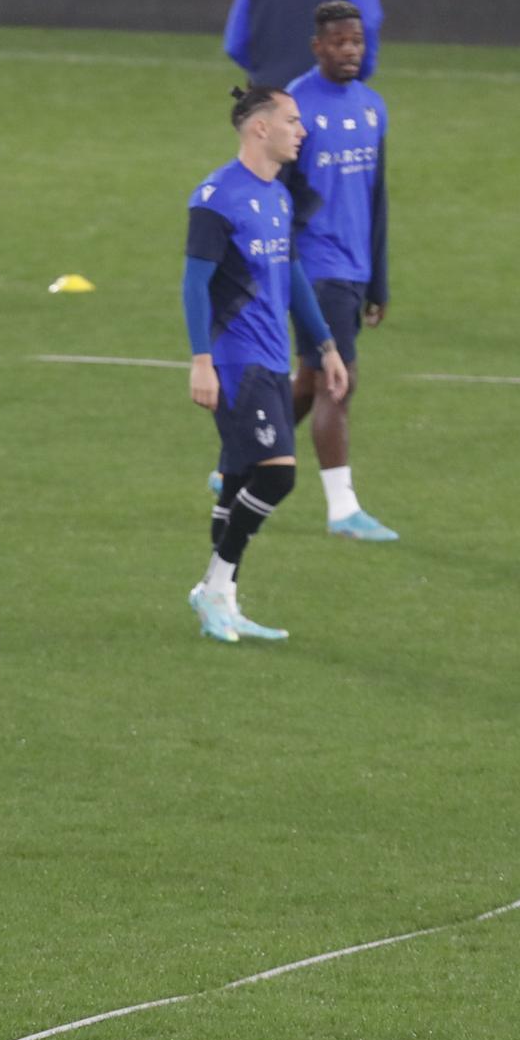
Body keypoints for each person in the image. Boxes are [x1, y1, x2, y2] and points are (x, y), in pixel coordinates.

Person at [184, 85, 349, 644]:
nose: (302, 131)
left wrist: (325, 347)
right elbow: (193, 285)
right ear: (260, 127)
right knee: (277, 474)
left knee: (236, 481)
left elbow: (295, 278)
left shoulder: (277, 195)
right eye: (293, 121)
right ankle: (213, 589)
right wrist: (201, 361)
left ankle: (220, 600)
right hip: (235, 361)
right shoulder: (215, 197)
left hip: (274, 358)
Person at [284, 2, 396, 541]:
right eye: (339, 41)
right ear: (317, 47)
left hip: (353, 267)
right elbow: (273, 191)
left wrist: (378, 282)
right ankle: (341, 508)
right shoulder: (295, 106)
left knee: (309, 380)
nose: (351, 50)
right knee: (337, 382)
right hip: (314, 266)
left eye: (357, 41)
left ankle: (236, 464)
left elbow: (377, 200)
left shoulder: (374, 108)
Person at [224, 0, 381, 90]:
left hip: (269, 98)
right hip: (331, 94)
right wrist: (353, 72)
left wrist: (266, 73)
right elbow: (367, 24)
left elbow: (236, 44)